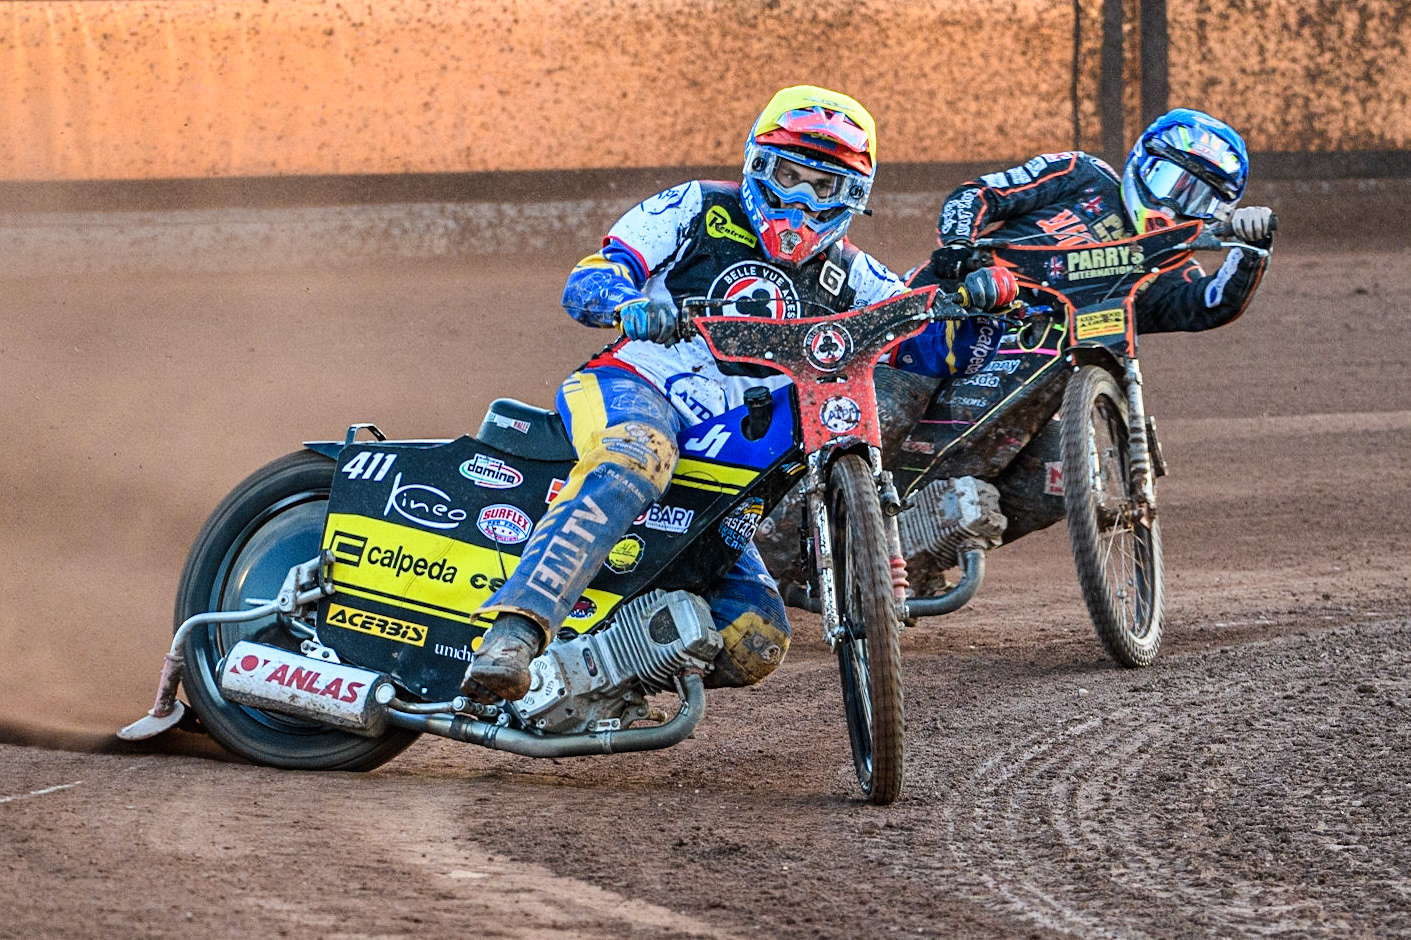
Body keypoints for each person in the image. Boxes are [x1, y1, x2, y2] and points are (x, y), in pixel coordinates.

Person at [462, 85, 1003, 703]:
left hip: (733, 447)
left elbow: (926, 348)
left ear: (853, 196)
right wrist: (628, 302)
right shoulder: (694, 206)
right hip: (637, 382)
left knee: (757, 637)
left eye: (824, 186)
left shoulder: (853, 274)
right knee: (636, 453)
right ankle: (513, 634)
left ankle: (588, 679)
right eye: (788, 176)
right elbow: (591, 277)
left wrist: (975, 299)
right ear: (757, 163)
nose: (800, 200)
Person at [908, 108, 1276, 335]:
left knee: (1053, 443)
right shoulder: (1081, 173)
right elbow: (980, 194)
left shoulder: (1169, 268)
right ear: (1142, 162)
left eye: (1198, 199)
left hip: (1038, 365)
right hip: (954, 304)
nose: (1173, 206)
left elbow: (1213, 303)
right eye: (1169, 182)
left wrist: (1252, 247)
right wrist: (957, 244)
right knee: (900, 399)